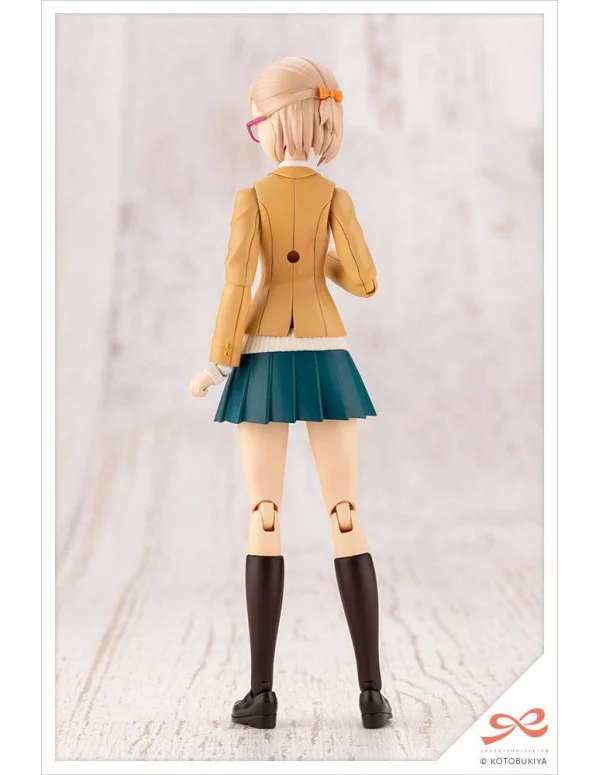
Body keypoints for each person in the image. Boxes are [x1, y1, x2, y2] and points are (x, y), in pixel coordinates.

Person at [189, 56, 392, 730]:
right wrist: (318, 257)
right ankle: (371, 695)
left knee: (265, 513)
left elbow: (237, 286)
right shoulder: (336, 197)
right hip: (327, 353)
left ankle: (262, 695)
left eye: (258, 123)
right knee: (345, 512)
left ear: (277, 123)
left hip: (265, 358)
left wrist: (217, 364)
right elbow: (364, 281)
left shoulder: (252, 199)